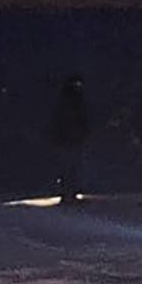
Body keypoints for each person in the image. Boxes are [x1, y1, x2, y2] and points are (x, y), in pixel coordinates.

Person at [50, 74, 90, 203]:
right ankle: (68, 193)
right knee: (69, 167)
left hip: (72, 139)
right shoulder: (70, 104)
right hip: (69, 140)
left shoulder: (74, 103)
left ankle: (70, 193)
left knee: (72, 167)